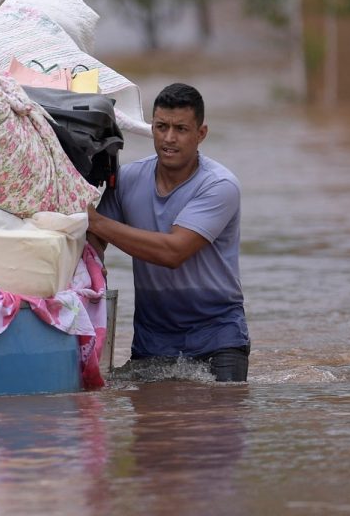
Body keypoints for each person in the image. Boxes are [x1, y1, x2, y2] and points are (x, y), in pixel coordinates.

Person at [87, 83, 250, 381]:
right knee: (156, 426)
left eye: (181, 129)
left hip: (217, 339)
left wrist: (94, 221)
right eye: (161, 127)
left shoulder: (219, 185)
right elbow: (92, 245)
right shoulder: (127, 179)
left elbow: (173, 251)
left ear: (201, 134)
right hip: (152, 341)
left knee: (218, 423)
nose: (169, 138)